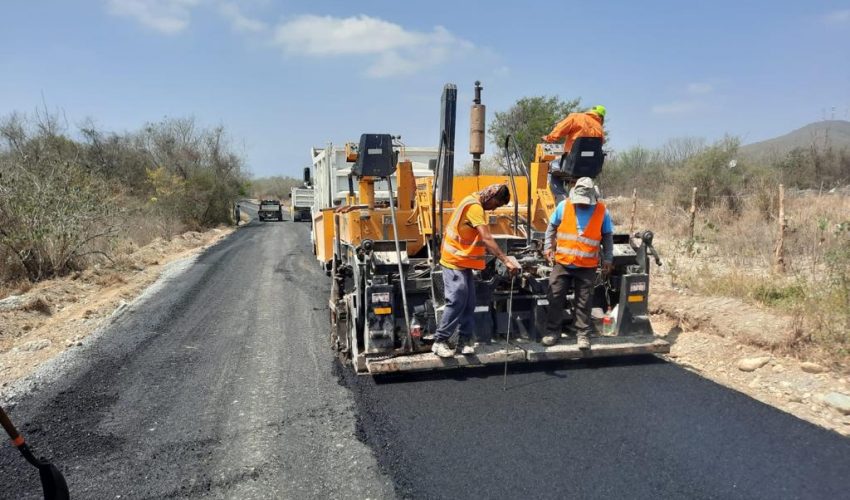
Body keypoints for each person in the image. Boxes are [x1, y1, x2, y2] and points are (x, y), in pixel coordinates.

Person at [432, 184, 521, 358]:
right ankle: (439, 341)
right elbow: (487, 238)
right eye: (496, 204)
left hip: (463, 261)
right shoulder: (474, 208)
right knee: (457, 297)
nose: (495, 208)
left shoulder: (473, 201)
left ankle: (464, 341)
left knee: (470, 301)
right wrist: (506, 260)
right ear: (489, 196)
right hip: (453, 259)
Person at [542, 177, 614, 350]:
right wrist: (547, 247)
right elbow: (551, 227)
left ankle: (582, 335)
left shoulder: (602, 211)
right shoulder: (563, 206)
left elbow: (607, 237)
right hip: (563, 263)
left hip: (587, 265)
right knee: (555, 297)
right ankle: (553, 332)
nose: (581, 204)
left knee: (584, 301)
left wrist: (608, 258)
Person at [541, 105, 606, 202]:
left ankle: (562, 199)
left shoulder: (576, 117)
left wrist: (549, 138)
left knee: (548, 169)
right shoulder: (600, 129)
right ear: (601, 118)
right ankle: (589, 195)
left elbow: (560, 130)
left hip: (572, 164)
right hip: (589, 168)